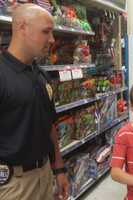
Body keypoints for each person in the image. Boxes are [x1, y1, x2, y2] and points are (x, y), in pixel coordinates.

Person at [0, 3, 69, 200]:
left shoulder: (40, 75)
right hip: (13, 185)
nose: (52, 39)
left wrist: (59, 168)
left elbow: (50, 125)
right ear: (22, 27)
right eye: (46, 32)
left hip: (45, 175)